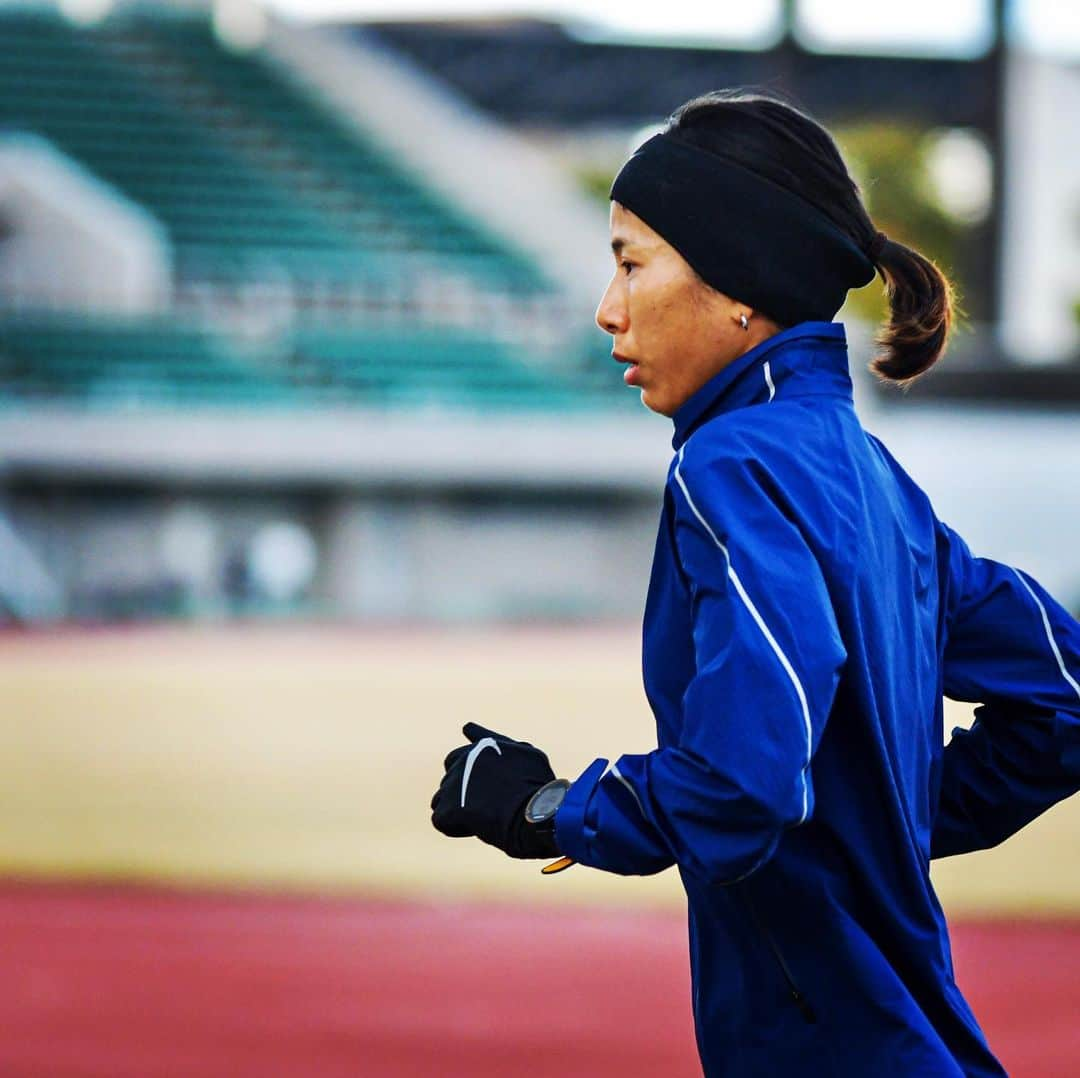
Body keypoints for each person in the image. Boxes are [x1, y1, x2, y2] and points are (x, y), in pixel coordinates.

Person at [429, 90, 1080, 1076]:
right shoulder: (876, 479)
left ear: (741, 284)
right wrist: (873, 826)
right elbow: (1065, 699)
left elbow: (743, 780)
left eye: (631, 263)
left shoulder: (729, 465)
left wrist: (549, 808)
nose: (608, 308)